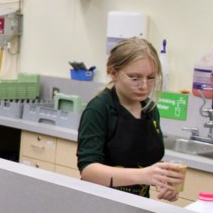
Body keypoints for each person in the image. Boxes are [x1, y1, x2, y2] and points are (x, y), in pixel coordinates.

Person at [77, 37, 183, 200]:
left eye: (151, 78)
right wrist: (142, 175)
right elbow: (88, 170)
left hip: (138, 205)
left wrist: (163, 181)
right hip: (100, 205)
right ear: (113, 73)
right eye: (135, 78)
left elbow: (145, 161)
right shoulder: (99, 109)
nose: (144, 85)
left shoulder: (150, 110)